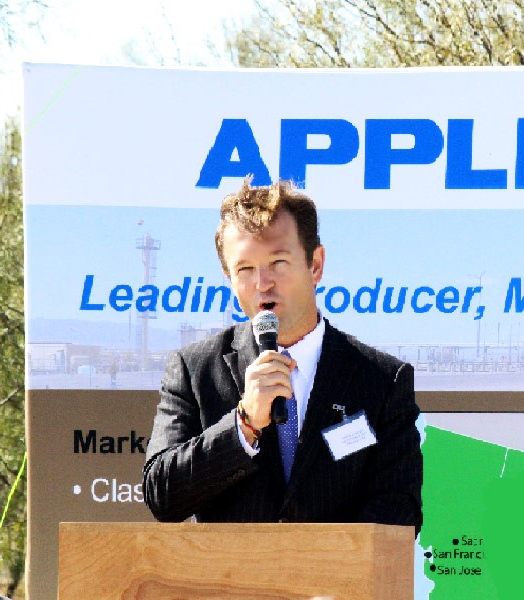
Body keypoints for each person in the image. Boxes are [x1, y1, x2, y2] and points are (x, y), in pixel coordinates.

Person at [143, 177, 422, 534]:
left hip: (335, 572)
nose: (263, 283)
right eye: (245, 269)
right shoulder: (194, 370)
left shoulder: (382, 380)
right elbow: (162, 495)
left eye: (277, 262)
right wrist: (244, 425)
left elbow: (399, 512)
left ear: (315, 265)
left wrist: (313, 562)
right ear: (229, 277)